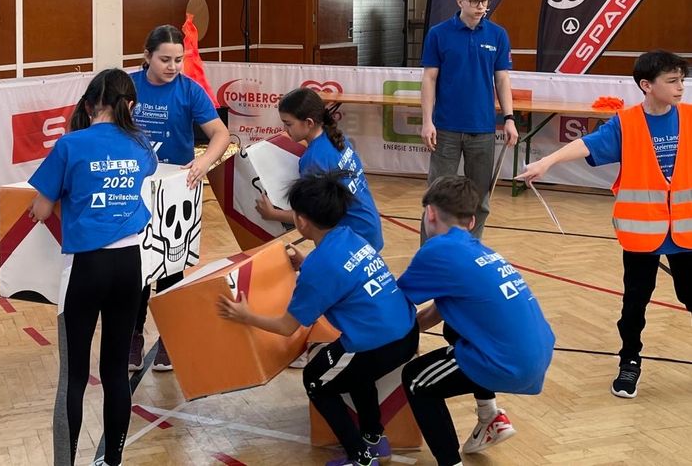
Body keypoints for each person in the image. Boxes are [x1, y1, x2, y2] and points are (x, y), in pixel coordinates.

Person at [519, 49, 691, 399]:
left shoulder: (689, 117)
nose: (680, 87)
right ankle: (629, 362)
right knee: (635, 303)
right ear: (646, 85)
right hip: (643, 232)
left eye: (681, 80)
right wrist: (547, 162)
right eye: (672, 81)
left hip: (687, 232)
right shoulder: (625, 124)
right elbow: (586, 144)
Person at [219, 172, 420, 466]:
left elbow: (287, 327)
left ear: (301, 221)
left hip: (378, 344)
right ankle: (375, 440)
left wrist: (245, 315)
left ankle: (361, 458)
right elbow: (341, 275)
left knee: (314, 379)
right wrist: (305, 263)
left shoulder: (321, 266)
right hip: (406, 331)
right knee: (350, 371)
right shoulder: (351, 236)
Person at [27, 68, 157, 466]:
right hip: (129, 268)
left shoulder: (70, 145)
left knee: (74, 378)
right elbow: (145, 173)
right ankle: (111, 461)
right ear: (130, 106)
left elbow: (40, 207)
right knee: (116, 372)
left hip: (86, 269)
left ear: (87, 105)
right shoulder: (141, 144)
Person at [398, 175, 555, 466]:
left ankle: (450, 462)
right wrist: (413, 329)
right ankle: (491, 417)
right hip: (538, 352)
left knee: (417, 380)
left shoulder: (436, 251)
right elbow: (447, 307)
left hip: (509, 363)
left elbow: (392, 305)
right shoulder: (478, 249)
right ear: (471, 222)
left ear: (429, 213)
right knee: (453, 330)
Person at [129, 24, 231, 372]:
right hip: (135, 186)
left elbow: (220, 133)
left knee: (172, 266)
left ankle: (170, 336)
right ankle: (133, 335)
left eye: (178, 60)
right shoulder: (128, 86)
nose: (172, 66)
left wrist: (204, 161)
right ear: (146, 56)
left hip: (178, 187)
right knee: (137, 266)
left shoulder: (190, 91)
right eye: (164, 60)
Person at [420, 0, 518, 242]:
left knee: (480, 198)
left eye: (484, 1)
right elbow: (429, 78)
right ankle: (430, 252)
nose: (480, 7)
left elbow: (502, 78)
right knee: (437, 195)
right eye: (474, 1)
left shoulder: (498, 35)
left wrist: (509, 118)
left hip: (483, 129)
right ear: (459, 0)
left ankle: (470, 250)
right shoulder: (438, 34)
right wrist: (427, 121)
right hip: (446, 129)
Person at [255, 86, 384, 252]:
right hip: (369, 226)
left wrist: (273, 214)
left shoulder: (313, 160)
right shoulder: (337, 137)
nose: (285, 130)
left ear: (309, 123)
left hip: (350, 237)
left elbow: (314, 216)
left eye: (288, 124)